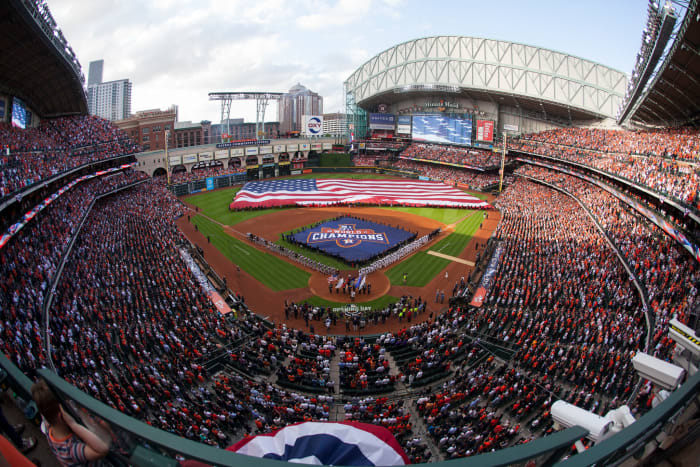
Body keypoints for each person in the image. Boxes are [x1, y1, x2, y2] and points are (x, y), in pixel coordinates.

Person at [31, 379, 110, 466]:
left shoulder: (48, 424)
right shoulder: (70, 450)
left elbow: (45, 407)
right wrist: (74, 425)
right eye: (68, 405)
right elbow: (102, 449)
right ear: (62, 415)